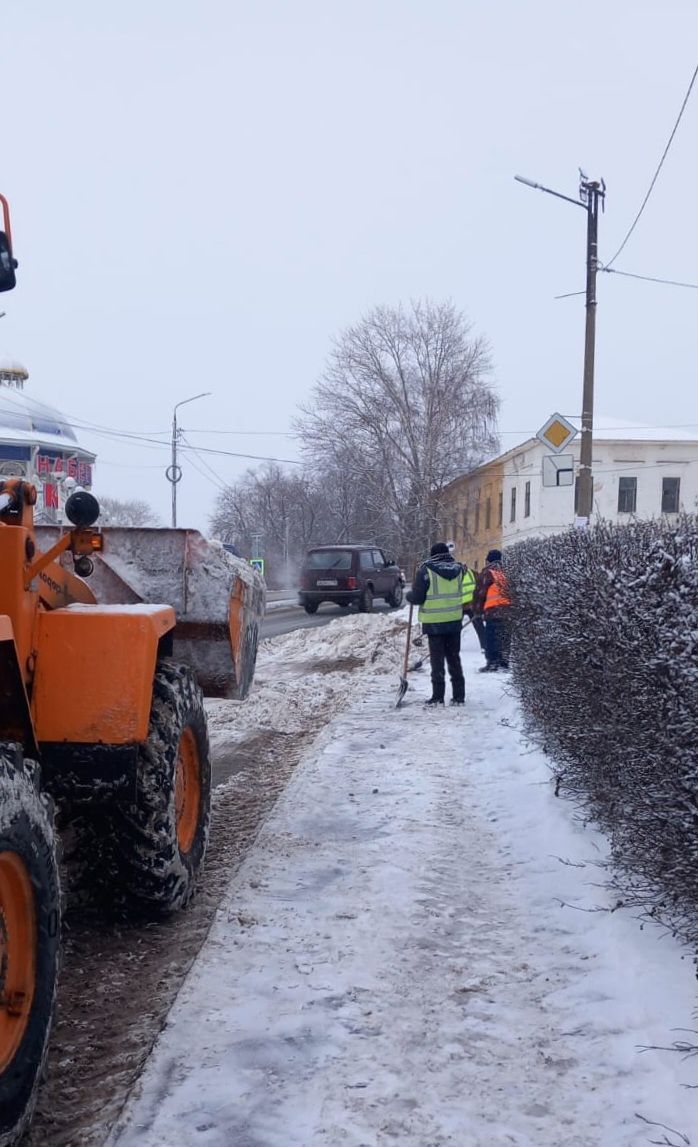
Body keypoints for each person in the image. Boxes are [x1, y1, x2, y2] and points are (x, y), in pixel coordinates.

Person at [406, 542, 466, 706]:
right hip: (454, 621)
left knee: (437, 660)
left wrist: (410, 596)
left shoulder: (426, 571)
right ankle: (459, 696)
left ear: (432, 555)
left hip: (434, 624)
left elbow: (418, 597)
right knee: (454, 658)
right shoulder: (459, 570)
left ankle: (438, 696)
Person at [473, 549, 511, 672]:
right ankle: (504, 662)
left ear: (488, 560)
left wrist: (477, 611)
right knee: (504, 637)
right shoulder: (507, 571)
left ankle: (493, 662)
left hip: (493, 611)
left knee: (492, 637)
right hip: (508, 611)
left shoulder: (488, 573)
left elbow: (480, 593)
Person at [461, 560, 486, 652]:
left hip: (468, 605)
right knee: (479, 626)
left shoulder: (471, 573)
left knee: (479, 626)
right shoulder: (471, 573)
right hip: (465, 606)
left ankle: (484, 646)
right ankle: (484, 646)